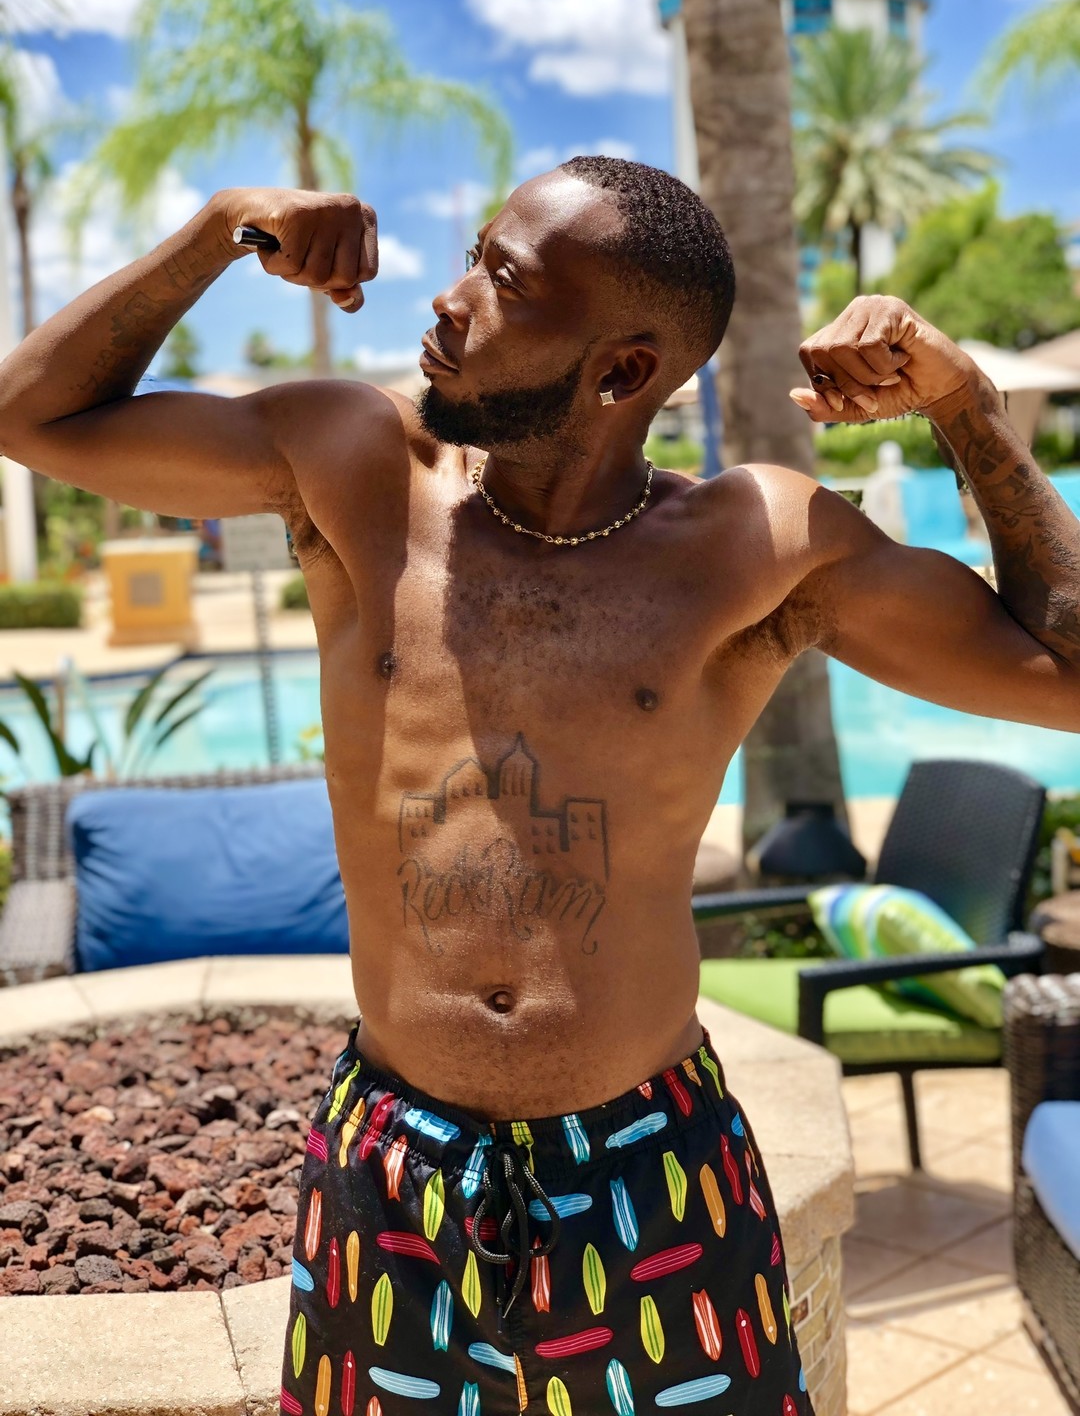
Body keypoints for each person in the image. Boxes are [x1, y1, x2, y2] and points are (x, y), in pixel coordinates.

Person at [1, 157, 1077, 1416]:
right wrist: (218, 228)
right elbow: (32, 418)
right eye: (474, 254)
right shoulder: (354, 466)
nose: (450, 298)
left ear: (622, 372)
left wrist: (961, 404)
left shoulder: (758, 548)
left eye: (504, 284)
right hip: (394, 1164)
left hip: (651, 1165)